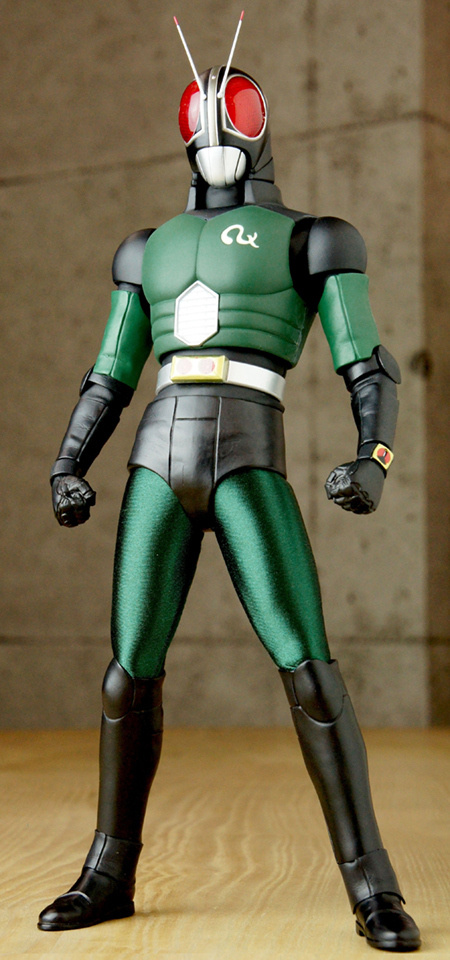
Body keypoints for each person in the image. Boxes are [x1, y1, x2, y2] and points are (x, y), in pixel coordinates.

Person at [38, 23, 420, 952]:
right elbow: (110, 374)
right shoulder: (147, 249)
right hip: (156, 456)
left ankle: (372, 885)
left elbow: (367, 363)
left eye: (233, 107)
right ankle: (107, 873)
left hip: (250, 449)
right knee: (129, 673)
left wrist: (375, 458)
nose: (214, 124)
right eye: (198, 110)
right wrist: (69, 460)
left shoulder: (313, 238)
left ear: (261, 121)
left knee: (308, 666)